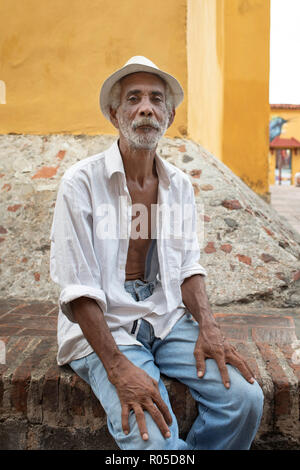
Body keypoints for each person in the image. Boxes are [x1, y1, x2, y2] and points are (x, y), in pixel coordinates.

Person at [50, 56, 264, 450]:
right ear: (115, 114)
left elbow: (187, 266)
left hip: (165, 316)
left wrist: (209, 328)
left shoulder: (179, 185)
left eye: (155, 98)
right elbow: (78, 288)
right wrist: (117, 367)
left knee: (245, 400)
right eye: (133, 98)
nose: (145, 107)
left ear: (170, 113)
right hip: (106, 322)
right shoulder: (80, 183)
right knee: (156, 439)